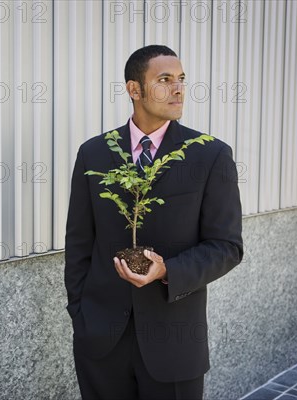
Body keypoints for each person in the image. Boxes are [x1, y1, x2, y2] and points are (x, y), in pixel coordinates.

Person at [64, 45, 243, 399]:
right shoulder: (94, 153)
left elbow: (227, 247)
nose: (178, 89)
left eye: (181, 80)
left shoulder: (210, 155)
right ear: (135, 89)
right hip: (101, 340)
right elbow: (79, 242)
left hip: (174, 341)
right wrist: (80, 313)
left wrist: (167, 271)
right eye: (164, 80)